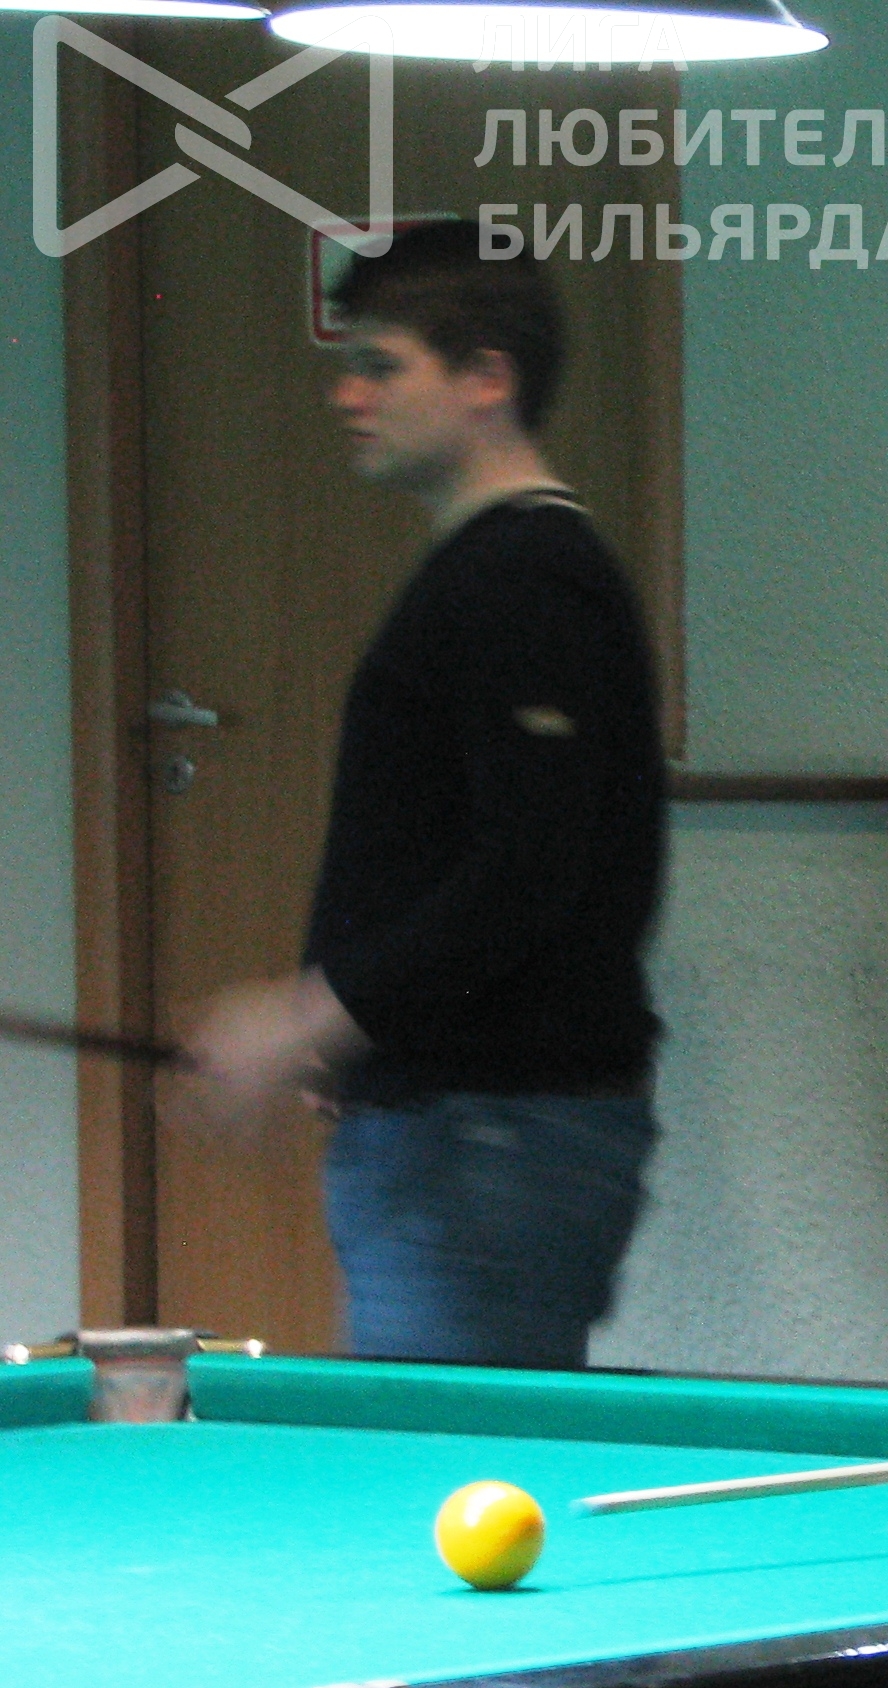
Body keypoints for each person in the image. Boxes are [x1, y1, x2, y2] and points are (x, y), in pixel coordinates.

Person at [185, 221, 666, 1369]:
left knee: (448, 1460)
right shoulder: (492, 572)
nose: (347, 395)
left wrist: (309, 1019)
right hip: (463, 1128)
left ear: (486, 378)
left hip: (489, 1138)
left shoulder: (528, 578)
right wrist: (358, 1038)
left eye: (381, 365)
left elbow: (526, 874)